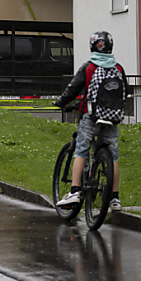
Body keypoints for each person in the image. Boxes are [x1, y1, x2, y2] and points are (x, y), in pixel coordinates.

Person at [54, 31, 127, 211]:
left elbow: (73, 89)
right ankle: (114, 198)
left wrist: (60, 103)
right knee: (113, 156)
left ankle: (75, 191)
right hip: (111, 118)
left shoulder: (89, 67)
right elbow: (125, 91)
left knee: (81, 150)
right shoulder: (118, 68)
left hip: (91, 116)